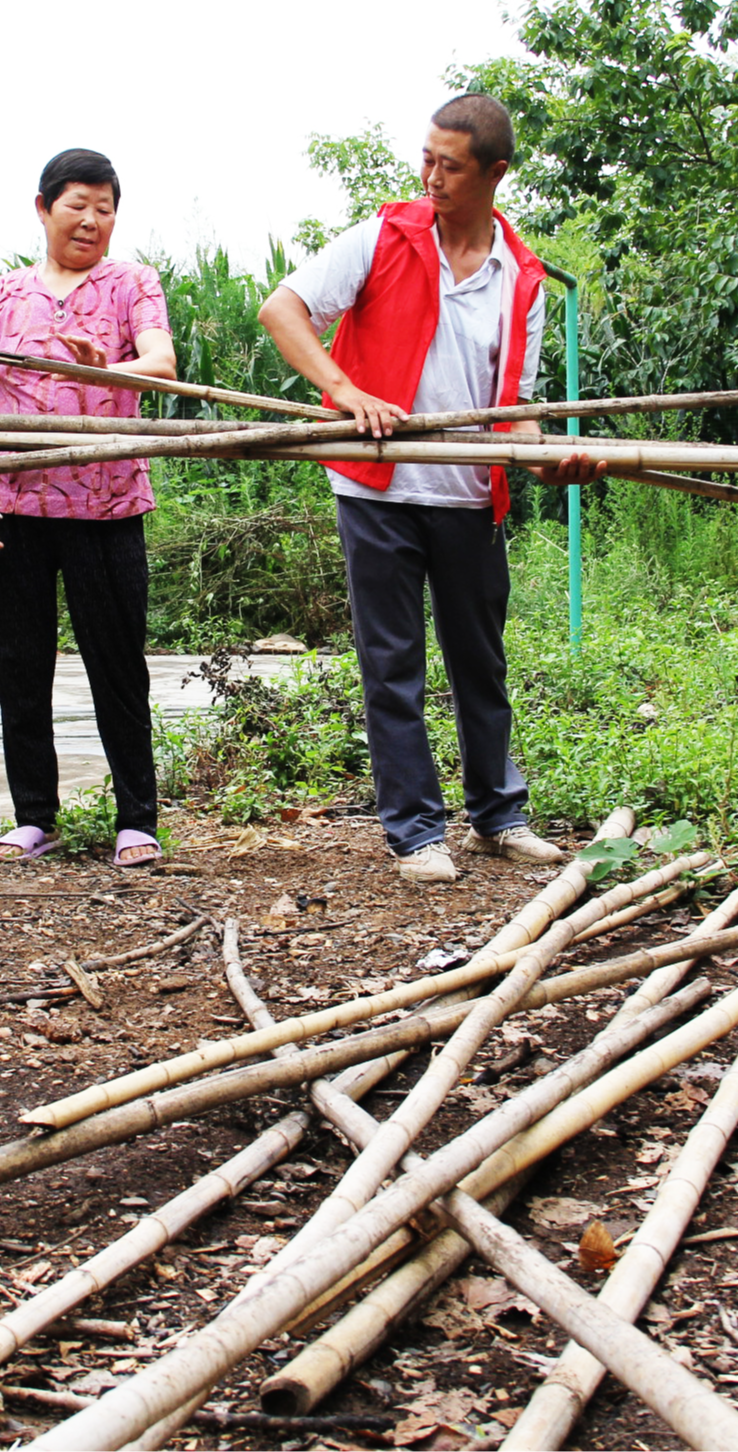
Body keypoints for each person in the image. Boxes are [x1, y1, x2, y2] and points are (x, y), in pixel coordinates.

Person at [258, 94, 604, 883]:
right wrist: (345, 390)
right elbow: (283, 308)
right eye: (427, 158)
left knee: (480, 661)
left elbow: (515, 413)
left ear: (495, 173)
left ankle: (498, 815)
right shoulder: (383, 235)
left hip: (468, 497)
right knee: (393, 664)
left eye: (450, 164)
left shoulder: (522, 277)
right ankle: (415, 831)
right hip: (377, 489)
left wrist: (550, 461)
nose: (431, 176)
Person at [0, 148, 177, 869]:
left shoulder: (133, 283)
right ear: (42, 208)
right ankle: (33, 816)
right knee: (20, 663)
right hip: (14, 505)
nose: (92, 220)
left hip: (107, 508)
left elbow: (161, 363)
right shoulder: (2, 296)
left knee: (117, 663)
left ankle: (137, 818)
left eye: (105, 208)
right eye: (77, 204)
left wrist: (101, 367)